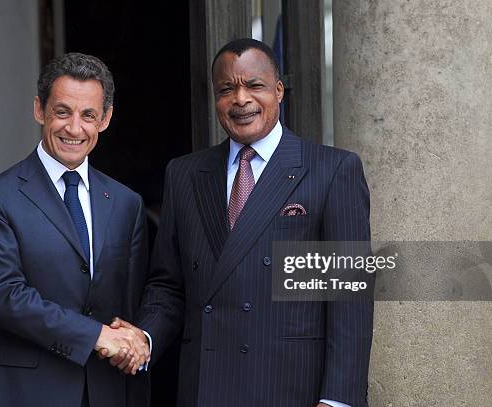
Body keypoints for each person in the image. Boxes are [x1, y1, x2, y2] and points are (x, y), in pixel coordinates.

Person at [114, 38, 373, 406]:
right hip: (207, 388)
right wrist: (144, 337)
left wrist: (337, 399)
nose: (241, 99)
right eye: (226, 89)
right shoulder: (185, 174)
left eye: (254, 85)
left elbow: (349, 297)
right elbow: (169, 286)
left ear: (278, 91)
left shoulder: (332, 170)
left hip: (292, 389)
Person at [0, 52, 150, 407]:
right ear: (40, 110)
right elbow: (5, 297)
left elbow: (130, 304)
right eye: (62, 111)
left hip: (106, 390)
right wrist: (96, 335)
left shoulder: (127, 203)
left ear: (106, 119)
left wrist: (135, 342)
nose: (74, 128)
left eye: (88, 115)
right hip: (21, 391)